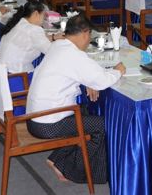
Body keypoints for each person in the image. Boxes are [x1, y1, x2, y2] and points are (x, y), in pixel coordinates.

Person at [26, 12, 124, 184]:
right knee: (103, 126)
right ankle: (68, 167)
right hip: (48, 124)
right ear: (85, 33)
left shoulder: (58, 46)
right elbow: (102, 81)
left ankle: (57, 158)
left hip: (36, 117)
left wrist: (88, 81)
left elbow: (74, 72)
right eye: (89, 36)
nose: (88, 41)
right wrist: (118, 71)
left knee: (85, 113)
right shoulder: (74, 55)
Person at [0, 0, 53, 73]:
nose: (44, 20)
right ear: (36, 14)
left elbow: (34, 41)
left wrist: (53, 37)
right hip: (16, 76)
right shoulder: (34, 30)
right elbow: (50, 50)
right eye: (43, 16)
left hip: (0, 72)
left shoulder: (19, 23)